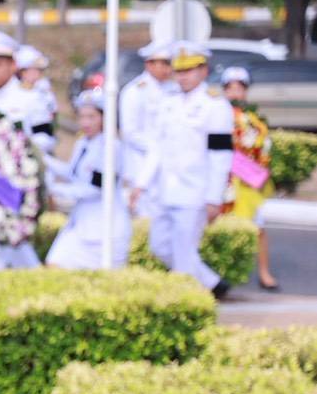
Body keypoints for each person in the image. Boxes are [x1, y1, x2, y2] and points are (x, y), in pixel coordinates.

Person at [130, 41, 234, 298]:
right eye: (179, 70)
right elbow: (157, 147)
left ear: (203, 71)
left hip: (195, 191)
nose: (183, 76)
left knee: (184, 253)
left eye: (189, 70)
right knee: (159, 246)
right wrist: (141, 183)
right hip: (165, 190)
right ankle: (211, 283)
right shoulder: (169, 102)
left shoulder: (215, 105)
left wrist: (214, 197)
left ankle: (186, 302)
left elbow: (220, 156)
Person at [0, 30, 40, 270]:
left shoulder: (30, 98)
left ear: (13, 65)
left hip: (21, 185)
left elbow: (44, 140)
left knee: (14, 240)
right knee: (3, 241)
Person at [44, 89, 130, 269]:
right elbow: (72, 172)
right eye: (82, 117)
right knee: (54, 264)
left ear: (104, 118)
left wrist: (54, 189)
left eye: (92, 117)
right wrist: (41, 158)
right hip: (81, 224)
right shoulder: (82, 143)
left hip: (104, 229)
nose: (85, 122)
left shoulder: (110, 147)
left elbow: (96, 188)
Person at [221, 65, 279, 291]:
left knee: (258, 228)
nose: (235, 92)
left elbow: (262, 148)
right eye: (230, 87)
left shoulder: (254, 119)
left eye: (240, 87)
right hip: (224, 181)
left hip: (247, 183)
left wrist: (261, 169)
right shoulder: (217, 115)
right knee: (220, 227)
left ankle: (264, 273)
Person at [119, 41, 175, 221]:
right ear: (149, 64)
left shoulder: (173, 90)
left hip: (167, 167)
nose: (167, 69)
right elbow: (130, 132)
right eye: (163, 63)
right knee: (143, 219)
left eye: (169, 63)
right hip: (140, 164)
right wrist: (155, 148)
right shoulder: (135, 91)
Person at [14, 44, 56, 153]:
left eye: (39, 70)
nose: (38, 74)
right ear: (23, 71)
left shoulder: (43, 93)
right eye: (34, 70)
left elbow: (47, 126)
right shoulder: (12, 92)